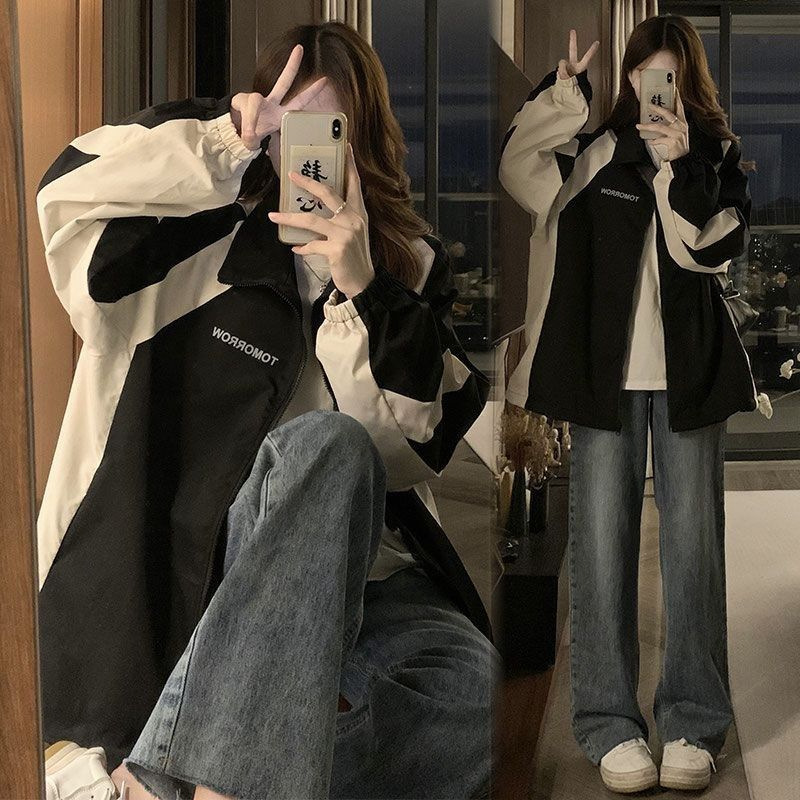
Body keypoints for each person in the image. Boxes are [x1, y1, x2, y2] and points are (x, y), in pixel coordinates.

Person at [37, 22, 498, 800]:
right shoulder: (180, 245)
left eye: (330, 129)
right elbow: (64, 196)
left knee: (470, 703)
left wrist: (359, 290)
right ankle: (216, 774)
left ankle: (177, 777)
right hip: (196, 572)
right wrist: (221, 137)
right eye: (290, 124)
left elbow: (404, 454)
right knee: (329, 445)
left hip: (364, 578)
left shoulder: (402, 268)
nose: (306, 150)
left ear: (363, 141)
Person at [499, 16, 765, 795]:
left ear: (689, 83)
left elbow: (707, 250)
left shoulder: (715, 156)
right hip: (601, 380)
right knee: (602, 550)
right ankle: (608, 721)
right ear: (628, 80)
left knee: (693, 551)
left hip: (691, 378)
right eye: (645, 76)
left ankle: (694, 719)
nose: (657, 92)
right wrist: (562, 96)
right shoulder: (594, 155)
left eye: (669, 78)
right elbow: (519, 169)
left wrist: (680, 166)